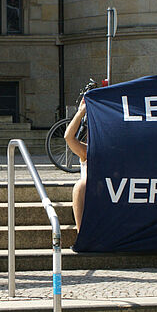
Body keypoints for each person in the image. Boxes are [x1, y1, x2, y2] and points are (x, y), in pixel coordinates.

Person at [64, 98, 88, 232]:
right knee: (80, 185)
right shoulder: (87, 151)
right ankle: (81, 233)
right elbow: (68, 137)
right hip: (91, 194)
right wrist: (80, 113)